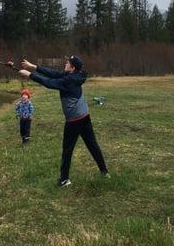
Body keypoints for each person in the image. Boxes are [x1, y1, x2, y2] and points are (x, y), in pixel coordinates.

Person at [17, 55, 109, 187]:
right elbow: (54, 74)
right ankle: (104, 172)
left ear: (72, 68)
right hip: (84, 116)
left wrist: (30, 75)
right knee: (92, 145)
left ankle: (64, 180)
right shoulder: (75, 75)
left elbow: (49, 83)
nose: (65, 64)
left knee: (67, 150)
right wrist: (33, 67)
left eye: (67, 63)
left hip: (74, 121)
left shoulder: (69, 81)